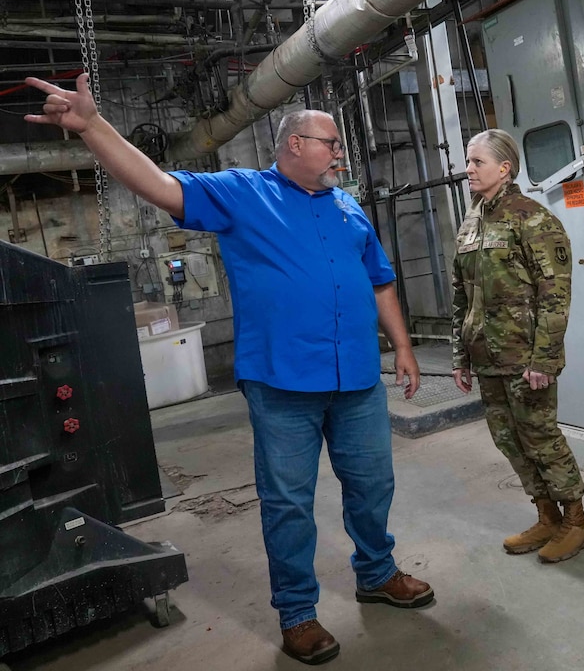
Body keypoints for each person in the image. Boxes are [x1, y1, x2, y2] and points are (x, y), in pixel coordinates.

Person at [25, 74, 433, 666]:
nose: (341, 153)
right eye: (332, 143)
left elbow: (381, 281)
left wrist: (403, 347)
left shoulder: (348, 208)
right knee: (288, 502)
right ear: (295, 145)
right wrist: (92, 126)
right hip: (282, 383)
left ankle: (376, 572)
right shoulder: (244, 192)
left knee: (373, 488)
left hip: (358, 382)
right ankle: (297, 613)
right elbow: (161, 186)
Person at [450, 128, 584, 563]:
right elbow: (461, 294)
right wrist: (461, 355)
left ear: (505, 168)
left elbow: (555, 295)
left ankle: (576, 521)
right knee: (508, 440)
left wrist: (544, 359)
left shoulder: (532, 218)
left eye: (477, 162)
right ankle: (547, 514)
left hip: (523, 357)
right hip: (486, 356)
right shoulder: (472, 220)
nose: (468, 169)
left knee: (540, 438)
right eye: (469, 161)